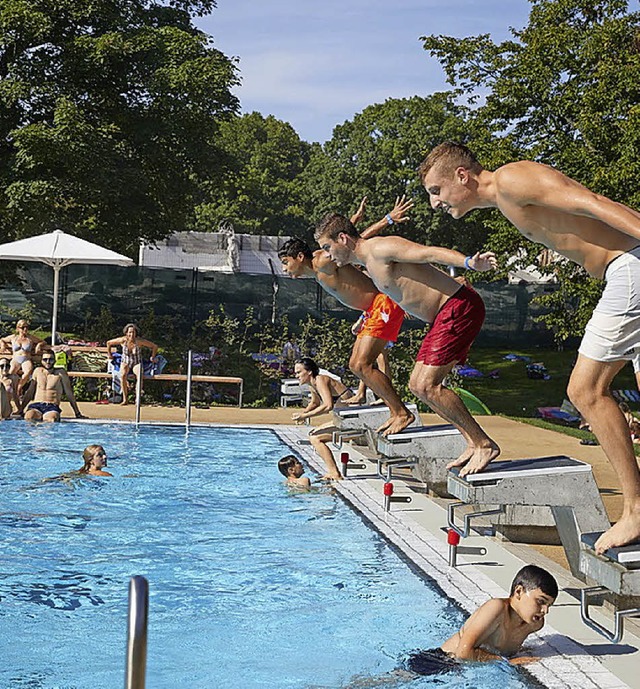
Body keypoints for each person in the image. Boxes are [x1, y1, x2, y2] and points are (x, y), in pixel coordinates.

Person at [419, 140, 640, 552]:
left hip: (630, 269)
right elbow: (575, 215)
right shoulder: (509, 196)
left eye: (436, 190)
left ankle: (635, 513)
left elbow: (592, 202)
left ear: (462, 176)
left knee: (585, 391)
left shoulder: (511, 180)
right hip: (628, 266)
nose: (435, 204)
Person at [315, 213, 499, 476]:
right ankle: (472, 441)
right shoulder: (367, 263)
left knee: (426, 385)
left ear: (342, 239)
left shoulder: (380, 248)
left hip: (457, 307)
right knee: (417, 386)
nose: (327, 255)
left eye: (327, 247)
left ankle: (484, 444)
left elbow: (427, 253)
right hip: (443, 315)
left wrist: (469, 262)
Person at [279, 196, 415, 436]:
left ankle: (400, 413)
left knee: (361, 364)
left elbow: (352, 243)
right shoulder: (319, 268)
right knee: (357, 365)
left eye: (285, 262)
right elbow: (339, 240)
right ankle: (396, 410)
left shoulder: (321, 262)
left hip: (382, 304)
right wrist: (351, 220)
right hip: (372, 310)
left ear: (300, 257)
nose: (284, 269)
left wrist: (388, 219)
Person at [403, 564, 557, 676]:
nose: (545, 611)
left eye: (549, 605)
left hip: (460, 670)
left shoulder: (534, 624)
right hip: (438, 662)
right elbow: (463, 653)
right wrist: (506, 662)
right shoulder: (496, 608)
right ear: (519, 591)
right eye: (541, 601)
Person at [292, 357, 350, 480]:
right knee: (313, 434)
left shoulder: (320, 380)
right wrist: (303, 413)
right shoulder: (312, 384)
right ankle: (333, 472)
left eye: (298, 372)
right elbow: (315, 403)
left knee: (316, 438)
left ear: (309, 372)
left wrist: (305, 416)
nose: (296, 375)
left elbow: (328, 405)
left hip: (353, 421)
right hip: (343, 420)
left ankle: (334, 473)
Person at [23, 348, 85, 422]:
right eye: (45, 359)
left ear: (55, 361)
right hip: (36, 405)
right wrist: (21, 409)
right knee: (29, 417)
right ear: (41, 361)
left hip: (51, 406)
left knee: (52, 420)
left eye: (51, 359)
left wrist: (77, 413)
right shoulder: (37, 371)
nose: (48, 362)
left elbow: (69, 393)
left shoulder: (60, 373)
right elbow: (30, 392)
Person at [106, 323, 158, 405]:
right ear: (126, 333)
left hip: (136, 361)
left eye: (133, 332)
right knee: (122, 375)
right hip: (125, 361)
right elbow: (108, 343)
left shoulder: (139, 341)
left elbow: (154, 346)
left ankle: (137, 398)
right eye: (130, 332)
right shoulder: (123, 340)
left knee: (139, 375)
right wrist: (110, 355)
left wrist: (153, 357)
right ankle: (125, 398)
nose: (131, 334)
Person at [0, 320, 45, 396]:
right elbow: (2, 339)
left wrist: (38, 345)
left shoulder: (30, 338)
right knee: (10, 372)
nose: (25, 329)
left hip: (26, 359)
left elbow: (42, 341)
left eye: (27, 327)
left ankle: (18, 388)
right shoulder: (13, 337)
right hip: (15, 359)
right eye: (23, 327)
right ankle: (8, 390)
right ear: (18, 328)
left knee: (28, 370)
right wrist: (3, 345)